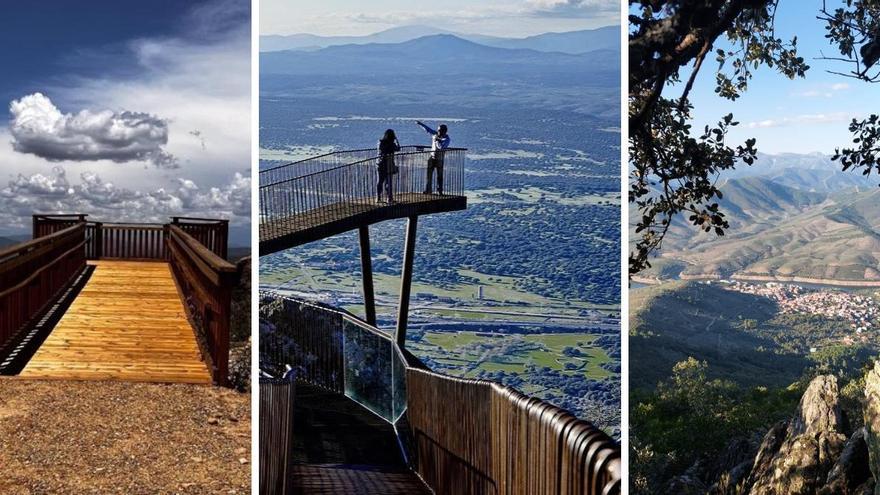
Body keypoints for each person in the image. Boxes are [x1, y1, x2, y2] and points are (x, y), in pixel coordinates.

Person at [416, 121, 450, 194]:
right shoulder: (436, 134)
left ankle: (439, 191)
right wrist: (420, 124)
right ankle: (428, 189)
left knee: (439, 176)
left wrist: (437, 141)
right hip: (432, 157)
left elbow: (441, 147)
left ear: (444, 131)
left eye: (440, 130)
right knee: (429, 174)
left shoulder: (447, 139)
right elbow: (428, 130)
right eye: (438, 130)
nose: (438, 132)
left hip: (440, 159)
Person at [376, 129, 400, 203]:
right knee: (388, 182)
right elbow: (398, 149)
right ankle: (389, 198)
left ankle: (378, 198)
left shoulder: (380, 142)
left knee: (380, 181)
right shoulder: (391, 144)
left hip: (380, 164)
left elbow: (380, 150)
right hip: (388, 164)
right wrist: (396, 140)